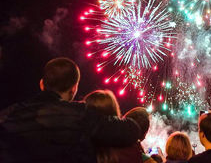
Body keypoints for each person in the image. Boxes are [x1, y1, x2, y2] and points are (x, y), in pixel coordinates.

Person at [0, 57, 140, 163]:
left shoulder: (9, 114)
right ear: (74, 88)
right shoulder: (82, 115)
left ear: (42, 84)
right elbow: (132, 129)